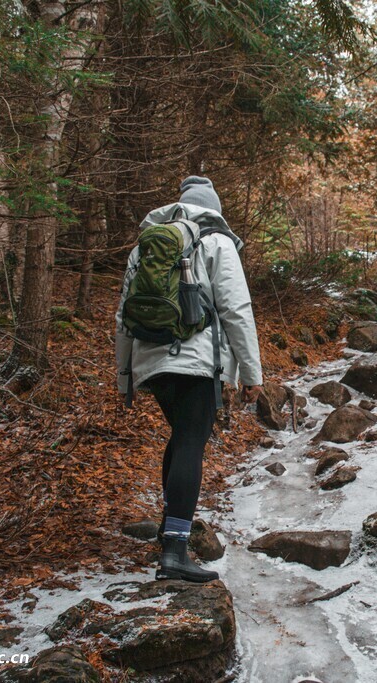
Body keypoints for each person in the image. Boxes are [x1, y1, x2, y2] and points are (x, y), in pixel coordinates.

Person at [116, 176, 263, 582]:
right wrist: (252, 374)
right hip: (197, 362)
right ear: (213, 207)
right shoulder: (217, 242)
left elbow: (123, 316)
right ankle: (175, 552)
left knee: (182, 438)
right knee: (191, 443)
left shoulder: (144, 246)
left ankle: (169, 532)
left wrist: (125, 376)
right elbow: (236, 308)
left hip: (152, 362)